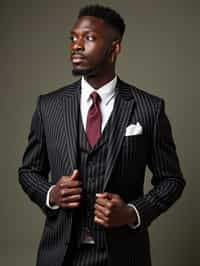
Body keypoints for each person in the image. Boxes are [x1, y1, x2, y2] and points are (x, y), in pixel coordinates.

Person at [18, 4, 185, 266]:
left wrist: (131, 213)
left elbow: (172, 180)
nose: (76, 45)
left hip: (123, 256)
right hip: (60, 255)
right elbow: (28, 171)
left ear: (114, 47)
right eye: (73, 38)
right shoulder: (48, 106)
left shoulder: (149, 108)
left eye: (89, 38)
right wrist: (52, 193)